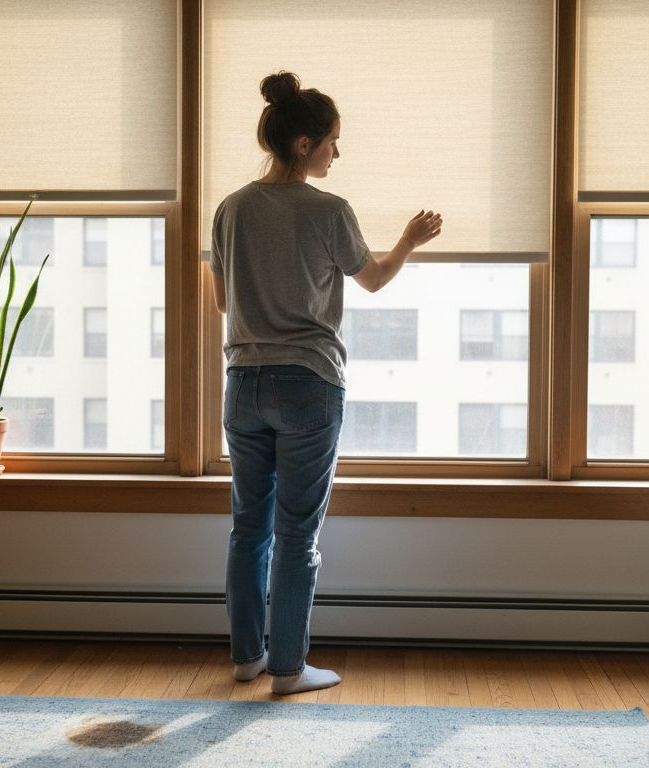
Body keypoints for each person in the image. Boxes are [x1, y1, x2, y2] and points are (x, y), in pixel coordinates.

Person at [209, 71, 443, 695]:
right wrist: (409, 240)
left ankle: (244, 658)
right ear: (305, 143)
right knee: (297, 533)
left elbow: (221, 302)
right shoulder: (329, 210)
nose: (339, 153)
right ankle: (288, 669)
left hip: (242, 382)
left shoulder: (229, 208)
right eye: (335, 142)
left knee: (247, 527)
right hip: (309, 382)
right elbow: (373, 279)